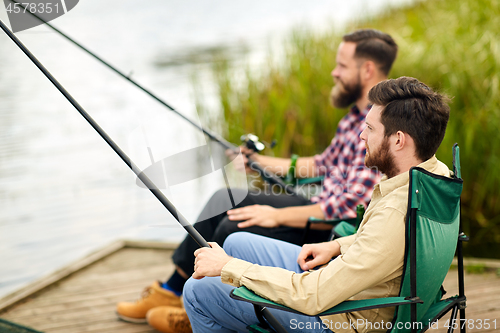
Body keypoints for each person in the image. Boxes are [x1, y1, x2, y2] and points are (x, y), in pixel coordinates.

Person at [116, 29, 398, 330]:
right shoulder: (353, 119)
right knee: (225, 199)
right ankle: (172, 290)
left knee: (234, 224)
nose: (334, 72)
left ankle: (207, 305)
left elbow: (344, 207)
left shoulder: (377, 128)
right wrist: (261, 163)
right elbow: (321, 164)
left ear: (366, 69)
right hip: (316, 206)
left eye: (341, 65)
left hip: (327, 227)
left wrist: (276, 215)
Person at [175, 76, 452, 333]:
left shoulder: (395, 211)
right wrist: (338, 245)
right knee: (237, 242)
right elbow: (390, 244)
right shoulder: (435, 176)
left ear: (398, 140)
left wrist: (229, 267)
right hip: (350, 286)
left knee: (198, 291)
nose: (361, 137)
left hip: (343, 318)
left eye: (369, 129)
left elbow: (313, 296)